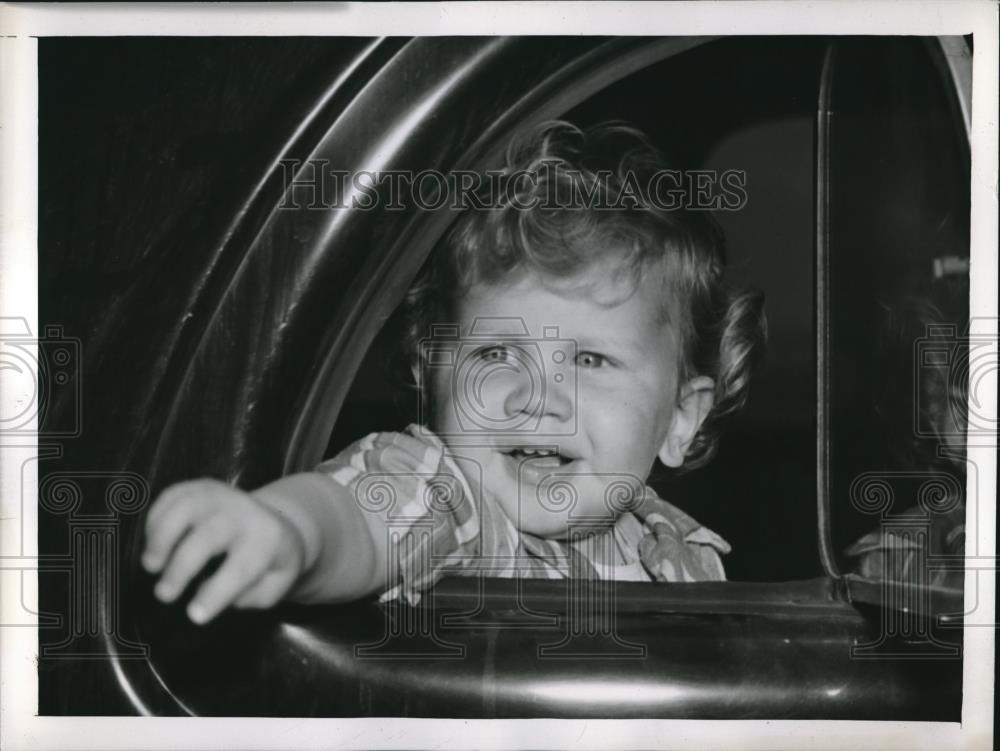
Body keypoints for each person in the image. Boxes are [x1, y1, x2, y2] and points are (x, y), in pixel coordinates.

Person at [141, 121, 766, 624]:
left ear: (681, 419)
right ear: (430, 371)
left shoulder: (681, 547)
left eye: (590, 359)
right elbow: (364, 515)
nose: (536, 398)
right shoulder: (457, 503)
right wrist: (286, 534)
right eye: (495, 355)